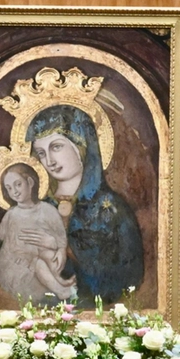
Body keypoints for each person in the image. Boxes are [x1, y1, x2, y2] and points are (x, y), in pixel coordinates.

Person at [24, 104, 144, 308]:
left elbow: (127, 275)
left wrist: (65, 247)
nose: (50, 161)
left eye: (56, 147)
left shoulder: (111, 210)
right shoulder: (37, 208)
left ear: (81, 146)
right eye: (41, 153)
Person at [0, 162, 77, 302]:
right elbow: (1, 234)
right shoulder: (12, 214)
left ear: (30, 182)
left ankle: (59, 282)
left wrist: (60, 249)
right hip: (14, 266)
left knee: (49, 256)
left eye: (18, 184)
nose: (14, 191)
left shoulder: (48, 210)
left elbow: (60, 236)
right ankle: (60, 290)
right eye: (9, 188)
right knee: (38, 263)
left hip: (39, 260)